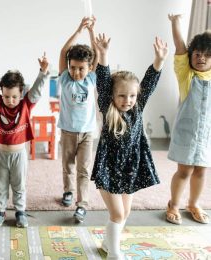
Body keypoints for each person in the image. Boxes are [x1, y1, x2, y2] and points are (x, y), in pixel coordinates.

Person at [91, 34, 168, 259]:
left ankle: (107, 243)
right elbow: (103, 81)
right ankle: (115, 253)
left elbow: (150, 82)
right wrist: (103, 55)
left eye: (132, 95)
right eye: (122, 95)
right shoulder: (107, 107)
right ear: (113, 96)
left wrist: (159, 60)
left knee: (124, 213)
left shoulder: (138, 107)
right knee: (116, 213)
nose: (128, 100)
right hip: (109, 167)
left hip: (131, 166)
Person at [0, 51, 49, 228]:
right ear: (1, 93)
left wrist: (43, 72)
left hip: (19, 155)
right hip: (0, 154)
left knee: (19, 185)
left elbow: (37, 90)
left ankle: (20, 211)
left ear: (21, 93)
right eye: (6, 96)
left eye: (14, 96)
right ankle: (0, 211)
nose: (10, 100)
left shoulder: (26, 104)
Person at [166, 14, 211, 225]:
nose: (201, 58)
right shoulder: (187, 75)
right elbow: (180, 46)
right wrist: (175, 23)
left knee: (201, 171)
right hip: (186, 134)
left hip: (207, 135)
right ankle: (173, 205)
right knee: (184, 171)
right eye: (197, 54)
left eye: (207, 55)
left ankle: (193, 203)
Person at [57, 16, 98, 223]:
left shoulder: (91, 78)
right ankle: (68, 192)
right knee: (68, 165)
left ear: (89, 68)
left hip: (87, 132)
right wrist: (79, 29)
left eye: (81, 68)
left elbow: (97, 54)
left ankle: (82, 204)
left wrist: (92, 32)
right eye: (73, 67)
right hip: (67, 131)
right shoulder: (64, 77)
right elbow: (64, 52)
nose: (76, 71)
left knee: (83, 169)